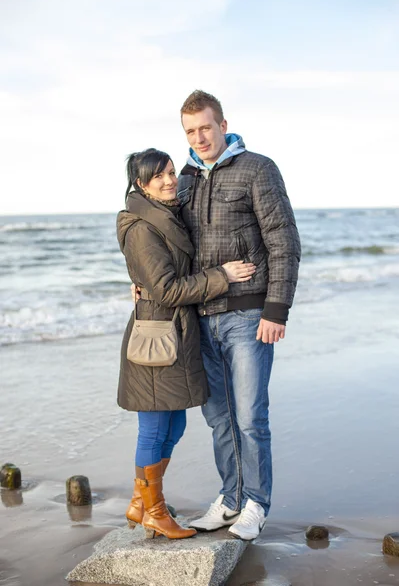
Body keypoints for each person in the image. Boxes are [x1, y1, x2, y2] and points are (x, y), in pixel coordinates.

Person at [177, 91, 301, 540]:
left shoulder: (258, 168)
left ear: (223, 124)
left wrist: (276, 309)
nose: (199, 137)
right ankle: (230, 499)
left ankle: (255, 505)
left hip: (249, 315)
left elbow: (283, 241)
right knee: (218, 418)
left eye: (205, 127)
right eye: (190, 131)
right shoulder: (185, 178)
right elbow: (173, 242)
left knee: (250, 416)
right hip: (201, 316)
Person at [116, 148, 256, 540]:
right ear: (141, 184)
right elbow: (166, 287)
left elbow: (160, 277)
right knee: (155, 425)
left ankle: (141, 500)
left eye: (171, 172)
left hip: (174, 331)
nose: (168, 180)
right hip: (157, 336)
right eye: (157, 176)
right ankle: (155, 510)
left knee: (173, 423)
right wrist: (222, 275)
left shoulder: (166, 214)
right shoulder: (142, 226)